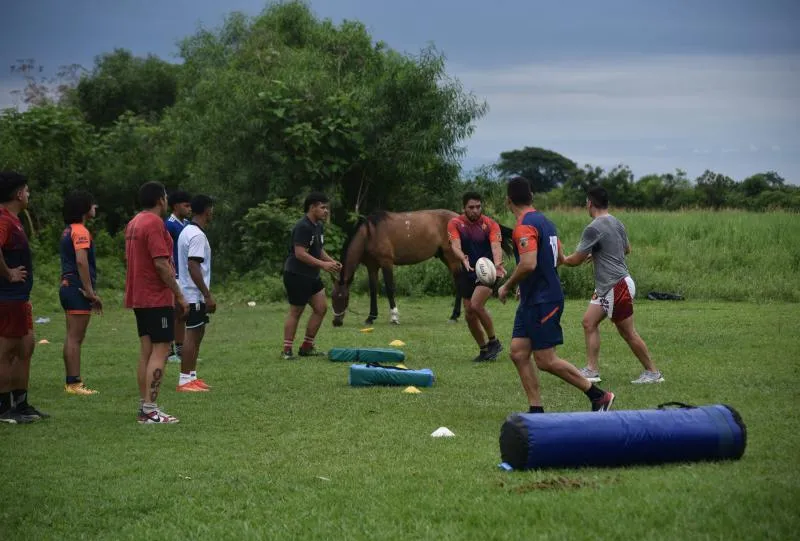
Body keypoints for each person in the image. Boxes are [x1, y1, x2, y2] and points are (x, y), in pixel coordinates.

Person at [497, 176, 615, 413]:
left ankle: (598, 396)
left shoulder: (523, 227)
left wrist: (508, 285)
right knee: (519, 352)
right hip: (534, 298)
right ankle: (536, 409)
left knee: (545, 360)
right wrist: (526, 284)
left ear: (508, 201)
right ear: (531, 197)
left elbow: (529, 263)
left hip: (543, 300)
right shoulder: (546, 222)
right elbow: (555, 258)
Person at [560, 186, 664, 384]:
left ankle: (653, 373)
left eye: (586, 203)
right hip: (610, 286)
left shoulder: (593, 227)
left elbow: (575, 260)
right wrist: (598, 253)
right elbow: (627, 249)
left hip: (616, 286)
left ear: (590, 203)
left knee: (627, 332)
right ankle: (591, 370)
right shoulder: (617, 222)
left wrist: (561, 259)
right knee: (589, 322)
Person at [125, 181, 188, 424]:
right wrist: (180, 295)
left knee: (147, 351)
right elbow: (161, 263)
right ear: (161, 199)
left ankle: (145, 407)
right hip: (155, 296)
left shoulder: (134, 223)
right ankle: (150, 410)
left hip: (139, 296)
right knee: (161, 350)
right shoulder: (153, 224)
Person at [0, 171, 47, 424]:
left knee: (26, 347)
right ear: (18, 193)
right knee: (6, 351)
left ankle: (21, 403)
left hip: (20, 297)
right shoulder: (3, 219)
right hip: (7, 297)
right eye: (27, 190)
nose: (29, 195)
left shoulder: (14, 219)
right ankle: (3, 408)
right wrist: (7, 273)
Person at [281, 192, 342, 360]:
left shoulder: (318, 226)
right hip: (296, 274)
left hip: (311, 275)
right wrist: (324, 265)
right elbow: (300, 253)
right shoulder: (303, 226)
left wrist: (332, 262)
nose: (326, 211)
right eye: (323, 207)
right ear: (312, 207)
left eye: (327, 208)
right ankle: (286, 350)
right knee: (296, 311)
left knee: (321, 308)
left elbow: (318, 249)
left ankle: (307, 347)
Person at [447, 191, 506, 362]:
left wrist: (497, 264)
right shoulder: (455, 223)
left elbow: (496, 246)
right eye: (471, 207)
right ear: (463, 208)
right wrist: (462, 258)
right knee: (469, 314)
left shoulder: (490, 224)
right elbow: (455, 246)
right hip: (467, 271)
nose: (475, 210)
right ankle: (484, 350)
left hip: (487, 271)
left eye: (478, 207)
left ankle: (494, 341)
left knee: (476, 305)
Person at [59, 191, 102, 396]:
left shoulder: (68, 230)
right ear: (84, 208)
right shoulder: (80, 231)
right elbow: (81, 261)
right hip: (77, 288)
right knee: (76, 337)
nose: (95, 208)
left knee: (71, 336)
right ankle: (74, 383)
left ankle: (71, 381)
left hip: (67, 286)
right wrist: (90, 292)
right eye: (92, 204)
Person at [175, 195, 215, 392]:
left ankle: (192, 376)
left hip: (191, 293)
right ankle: (184, 380)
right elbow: (193, 265)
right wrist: (206, 294)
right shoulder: (197, 235)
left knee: (198, 332)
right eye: (212, 209)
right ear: (207, 210)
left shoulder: (187, 231)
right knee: (192, 335)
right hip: (193, 295)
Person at [165, 190, 191, 363]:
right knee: (172, 312)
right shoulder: (168, 225)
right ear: (175, 206)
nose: (189, 208)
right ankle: (168, 350)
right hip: (173, 274)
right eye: (186, 205)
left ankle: (180, 348)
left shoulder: (187, 224)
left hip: (186, 274)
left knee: (182, 312)